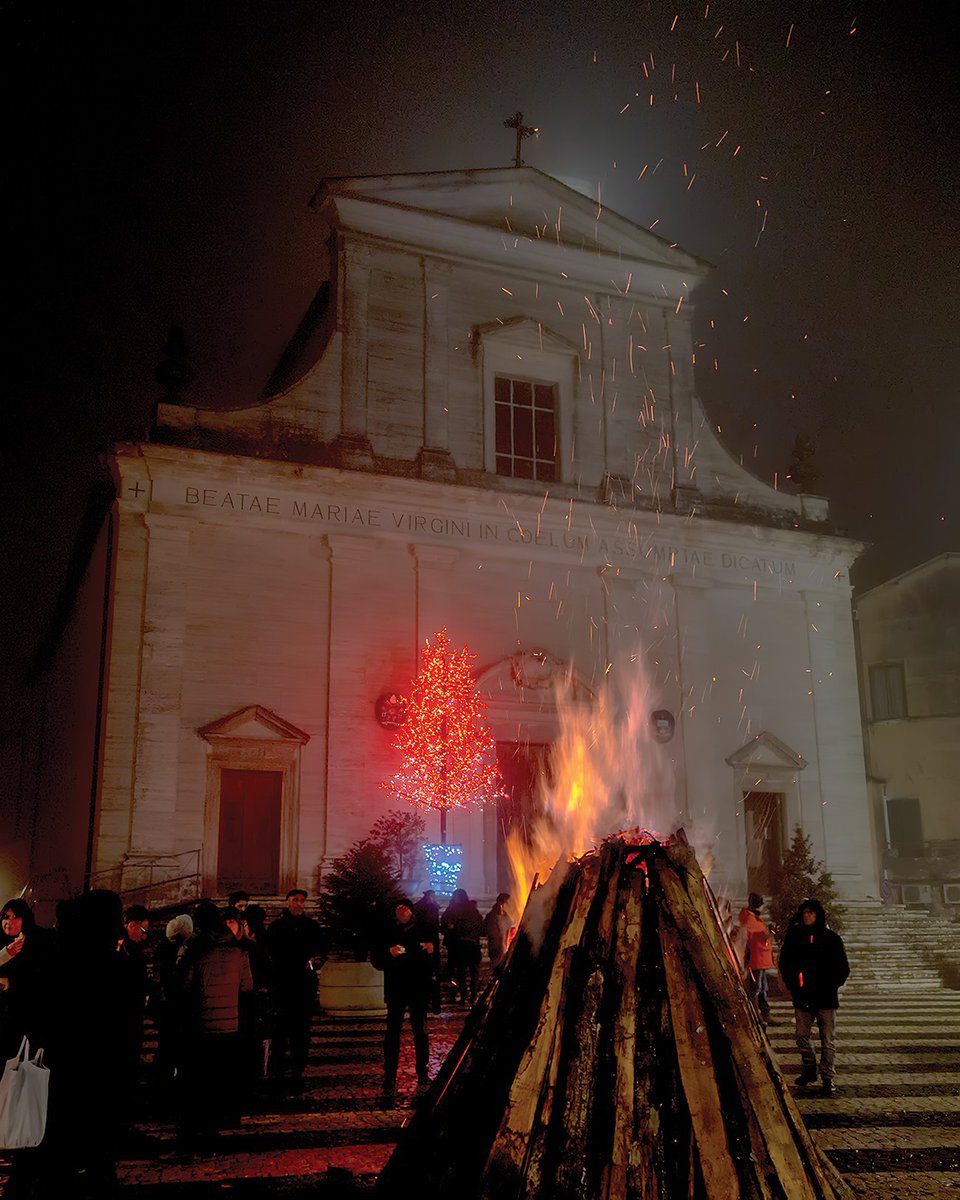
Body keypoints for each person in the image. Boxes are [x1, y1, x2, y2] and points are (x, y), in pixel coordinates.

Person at [176, 901, 253, 1147]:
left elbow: (185, 986)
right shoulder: (239, 951)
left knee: (197, 1078)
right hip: (230, 1024)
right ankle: (213, 1128)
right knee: (220, 1077)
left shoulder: (196, 949)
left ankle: (191, 1128)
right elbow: (247, 986)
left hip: (201, 1024)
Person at [778, 897, 850, 1097]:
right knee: (801, 1036)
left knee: (827, 1040)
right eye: (805, 912)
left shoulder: (832, 939)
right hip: (802, 997)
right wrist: (794, 984)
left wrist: (830, 985)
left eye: (811, 912)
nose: (808, 916)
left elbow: (843, 968)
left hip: (826, 998)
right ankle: (809, 1068)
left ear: (818, 915)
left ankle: (827, 1077)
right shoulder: (794, 937)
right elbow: (785, 962)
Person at [264, 888, 327, 1088]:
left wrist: (316, 961)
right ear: (287, 902)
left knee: (302, 1031)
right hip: (283, 985)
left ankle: (298, 1068)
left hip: (304, 985)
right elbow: (271, 953)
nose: (299, 903)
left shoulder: (312, 926)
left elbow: (321, 950)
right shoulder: (276, 927)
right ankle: (278, 1069)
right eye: (295, 900)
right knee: (280, 1029)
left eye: (302, 900)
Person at [374, 897, 434, 1103]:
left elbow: (433, 960)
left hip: (417, 988)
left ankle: (423, 1072)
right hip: (396, 988)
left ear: (411, 911)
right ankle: (389, 1075)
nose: (402, 911)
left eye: (405, 908)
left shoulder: (424, 928)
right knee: (392, 1032)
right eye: (398, 908)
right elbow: (377, 959)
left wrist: (428, 951)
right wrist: (389, 953)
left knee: (421, 1032)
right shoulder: (387, 931)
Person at [441, 888, 484, 1005]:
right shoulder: (473, 910)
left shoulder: (452, 909)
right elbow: (481, 926)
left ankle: (464, 995)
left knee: (461, 973)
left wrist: (451, 930)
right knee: (474, 972)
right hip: (473, 945)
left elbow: (444, 924)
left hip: (460, 946)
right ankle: (473, 996)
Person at [737, 892, 775, 1025]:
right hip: (755, 960)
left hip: (761, 960)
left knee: (762, 989)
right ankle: (755, 1016)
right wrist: (768, 934)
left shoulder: (755, 918)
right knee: (756, 989)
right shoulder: (750, 919)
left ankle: (765, 1015)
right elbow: (754, 938)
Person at [413, 889, 441, 1013]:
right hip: (427, 944)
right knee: (431, 976)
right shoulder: (428, 908)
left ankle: (431, 1002)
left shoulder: (424, 907)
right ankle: (432, 1002)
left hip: (428, 943)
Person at [484, 892, 512, 967]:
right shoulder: (493, 917)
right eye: (507, 902)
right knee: (497, 965)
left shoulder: (505, 916)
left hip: (501, 947)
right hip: (497, 948)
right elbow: (491, 932)